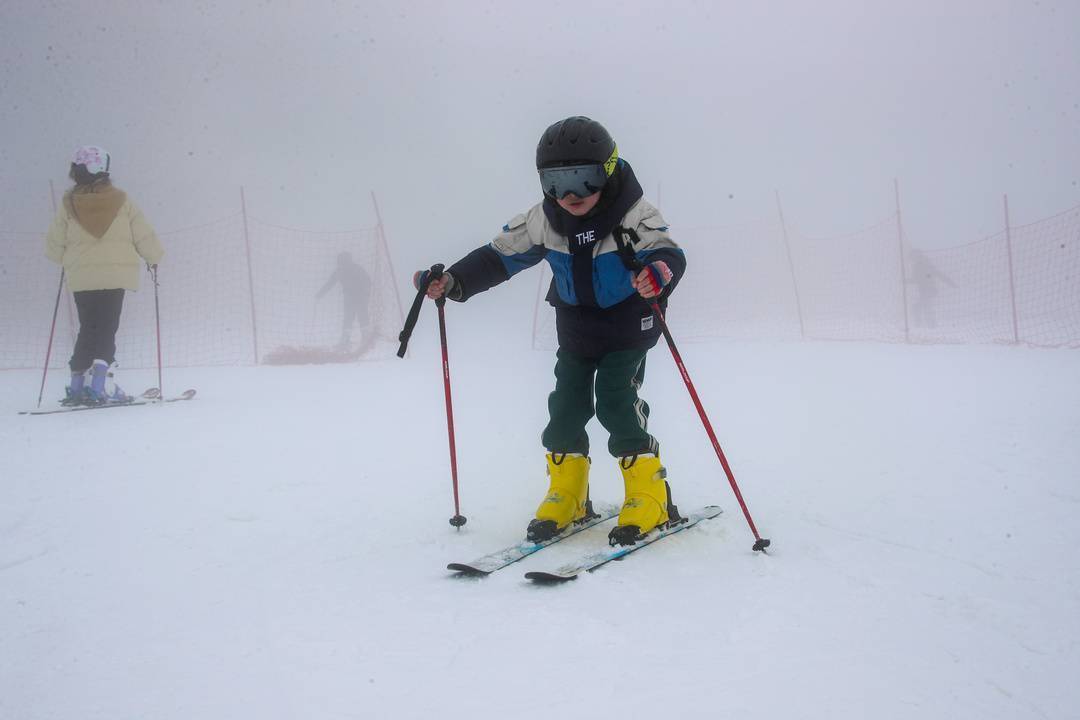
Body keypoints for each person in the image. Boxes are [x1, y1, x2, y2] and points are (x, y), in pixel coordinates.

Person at [416, 116, 686, 546]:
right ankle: (569, 493)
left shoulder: (634, 215)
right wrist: (452, 281)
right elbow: (498, 257)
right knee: (564, 407)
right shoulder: (544, 220)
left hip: (628, 323)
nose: (571, 194)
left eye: (583, 178)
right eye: (557, 182)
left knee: (617, 400)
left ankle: (649, 494)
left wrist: (659, 272)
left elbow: (669, 253)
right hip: (576, 326)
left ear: (609, 170)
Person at [44, 145, 164, 405]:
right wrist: (153, 257)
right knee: (108, 327)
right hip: (114, 276)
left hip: (82, 279)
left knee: (88, 327)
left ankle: (77, 386)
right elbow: (142, 232)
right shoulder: (121, 200)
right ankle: (100, 386)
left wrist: (66, 257)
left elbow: (54, 245)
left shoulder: (68, 203)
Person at [316, 251, 372, 352]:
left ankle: (366, 339)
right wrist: (320, 294)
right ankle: (346, 341)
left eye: (342, 262)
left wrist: (366, 293)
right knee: (348, 319)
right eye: (340, 262)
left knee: (362, 316)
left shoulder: (356, 269)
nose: (340, 264)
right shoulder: (340, 271)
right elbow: (330, 283)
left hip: (359, 297)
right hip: (350, 298)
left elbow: (367, 280)